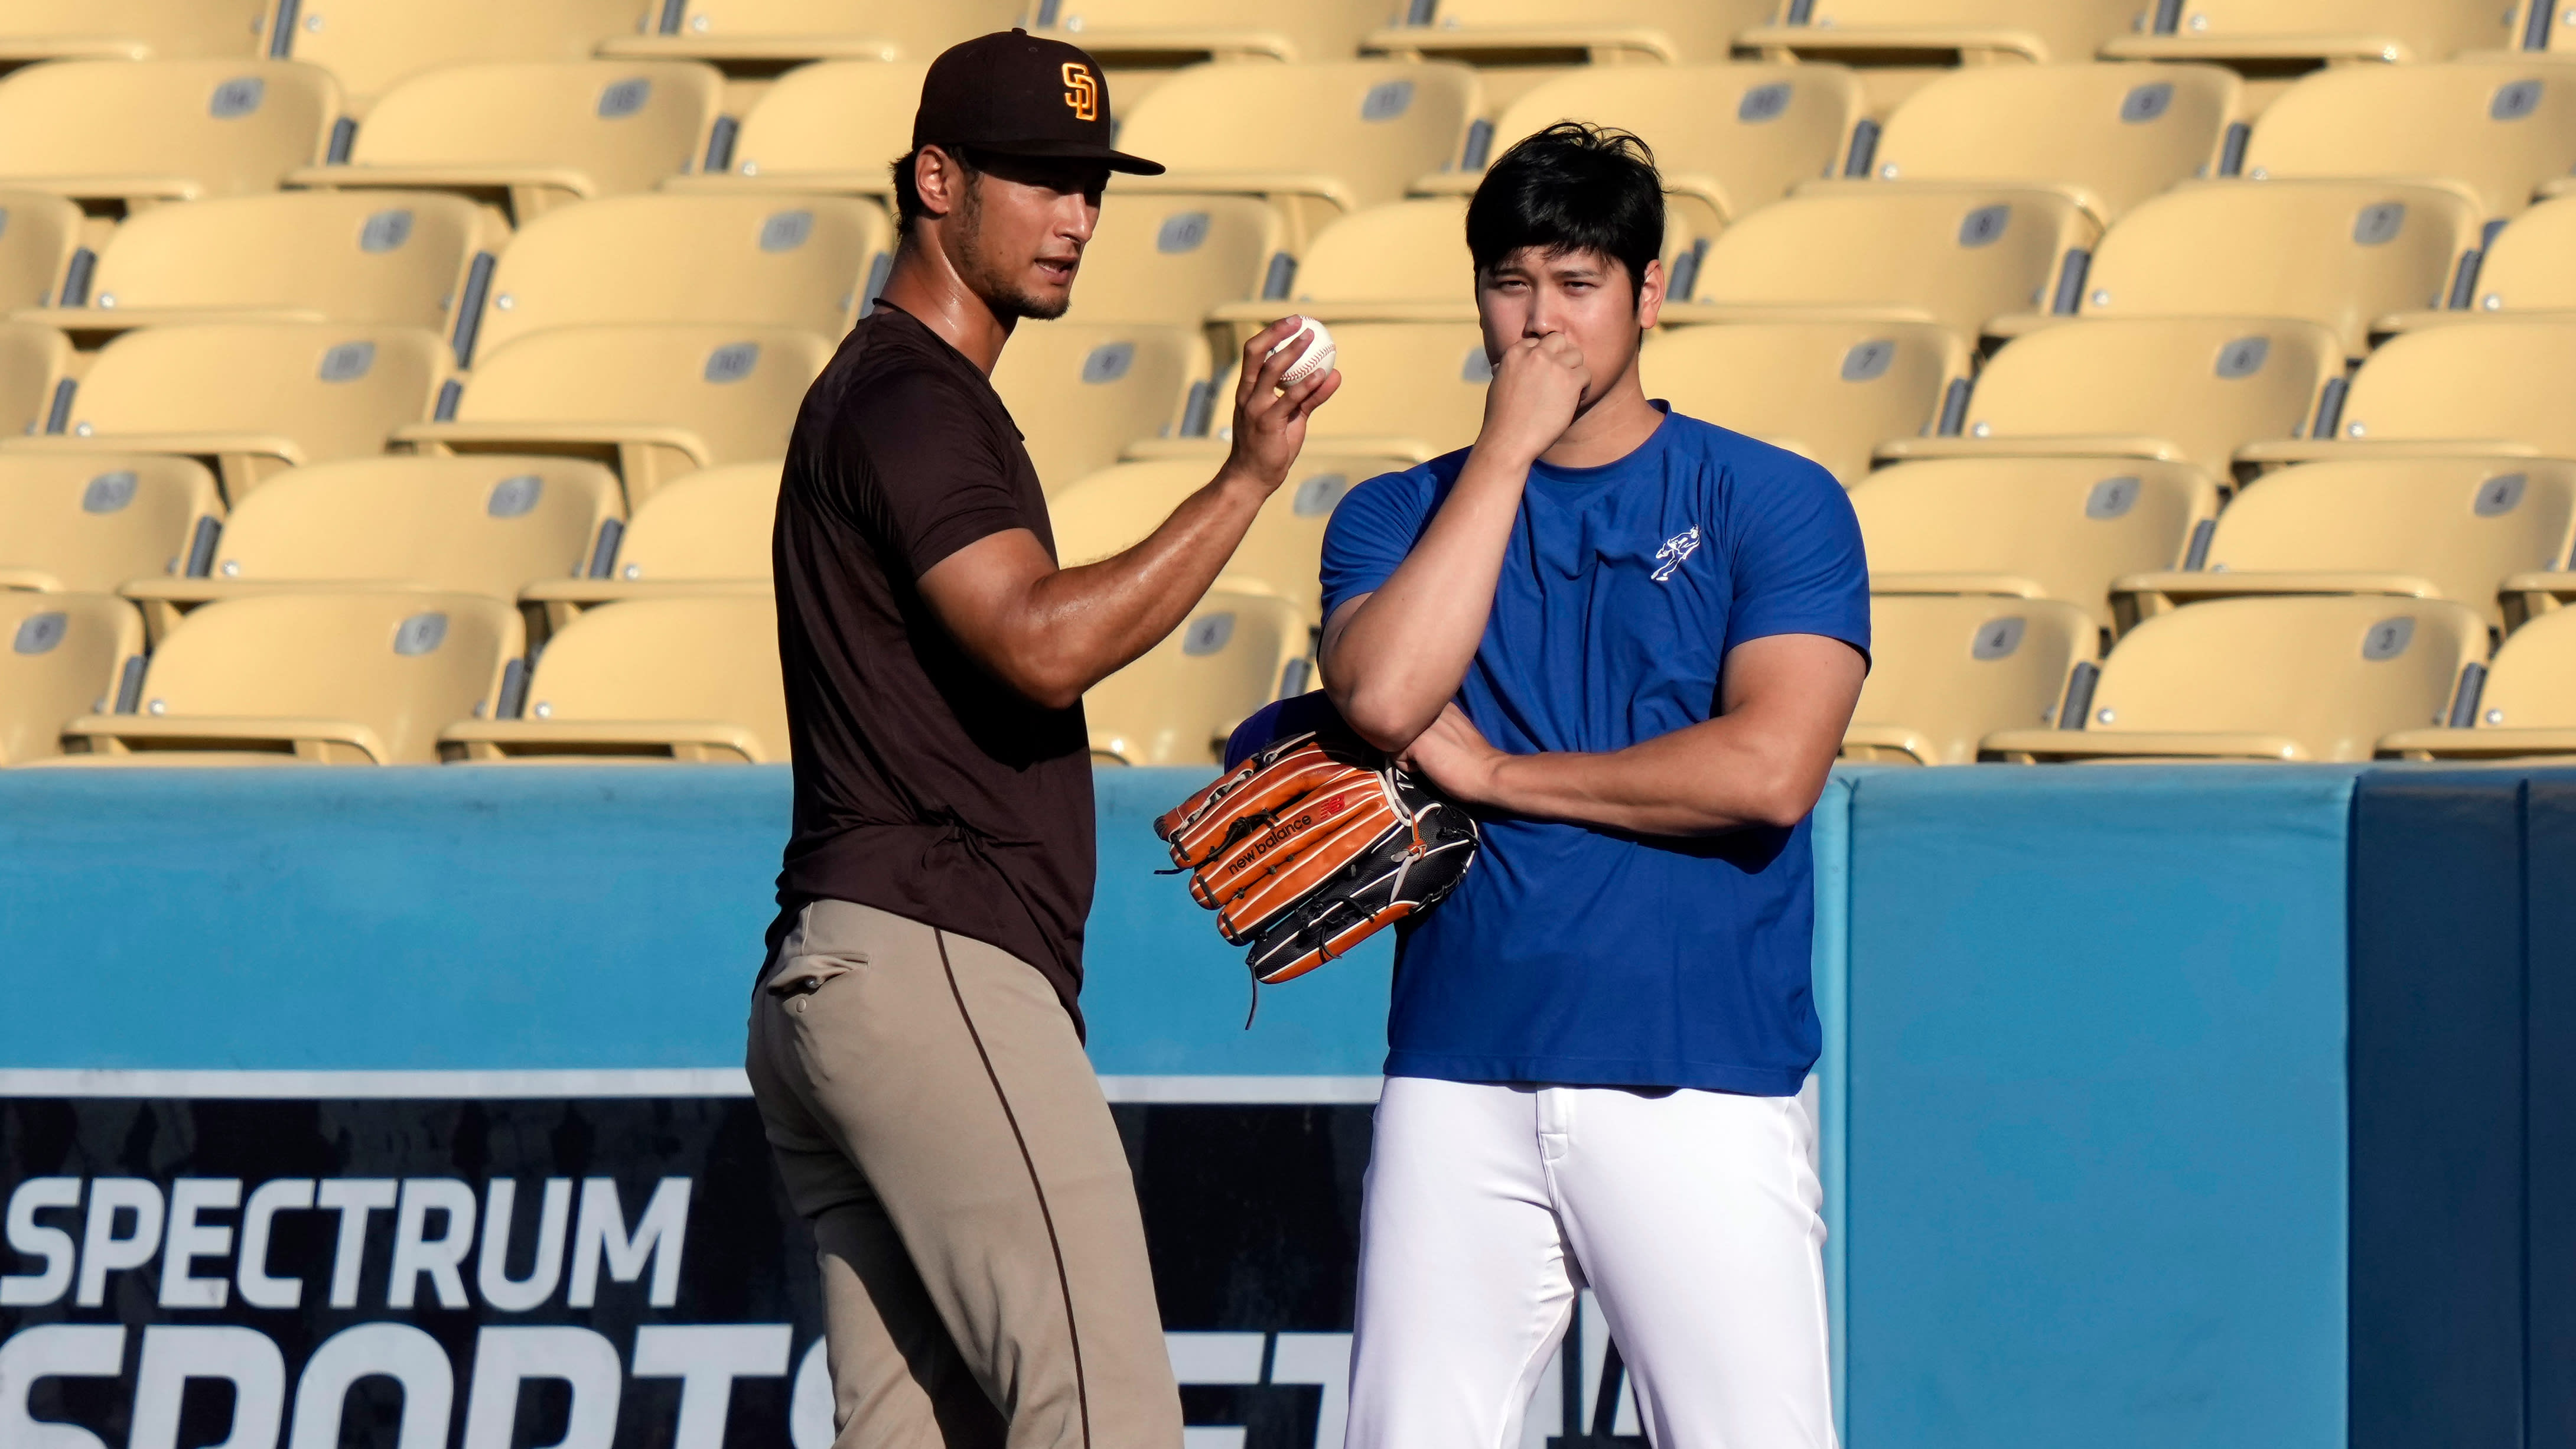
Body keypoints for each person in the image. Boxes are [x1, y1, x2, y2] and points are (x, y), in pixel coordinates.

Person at [744, 30, 1339, 1449]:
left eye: (1093, 184)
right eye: (1039, 178)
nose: (1077, 215)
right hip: (928, 952)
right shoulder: (909, 396)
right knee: (1104, 1411)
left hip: (842, 969)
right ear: (937, 180)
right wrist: (1248, 480)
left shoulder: (894, 394)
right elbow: (1040, 639)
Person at [1318, 122, 1870, 1448]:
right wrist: (1506, 454)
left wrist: (1502, 773)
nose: (1543, 321)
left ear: (1648, 293)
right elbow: (1388, 699)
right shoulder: (1397, 515)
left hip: (1696, 1069)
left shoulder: (1772, 500)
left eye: (1578, 283)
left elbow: (1769, 768)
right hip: (1462, 1068)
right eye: (1513, 284)